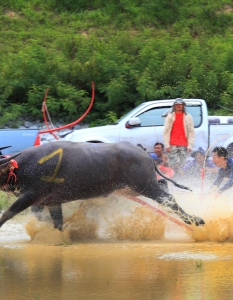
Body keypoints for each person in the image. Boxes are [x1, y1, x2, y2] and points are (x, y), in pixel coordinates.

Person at [163, 98, 195, 176]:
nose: (178, 106)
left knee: (182, 165)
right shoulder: (170, 116)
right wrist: (167, 144)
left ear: (183, 106)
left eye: (180, 104)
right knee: (173, 165)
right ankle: (173, 180)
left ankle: (182, 181)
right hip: (172, 144)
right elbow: (166, 131)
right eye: (177, 104)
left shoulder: (188, 117)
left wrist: (190, 145)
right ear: (174, 106)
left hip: (184, 144)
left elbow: (191, 132)